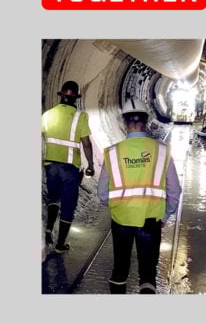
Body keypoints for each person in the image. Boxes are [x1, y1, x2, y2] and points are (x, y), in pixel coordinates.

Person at [97, 101, 182, 294]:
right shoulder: (161, 150)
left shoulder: (112, 152)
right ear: (146, 121)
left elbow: (102, 192)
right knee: (148, 274)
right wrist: (166, 215)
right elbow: (174, 191)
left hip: (121, 220)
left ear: (125, 122)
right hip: (151, 220)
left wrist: (117, 207)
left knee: (119, 269)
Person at [41, 81, 95, 253]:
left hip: (50, 165)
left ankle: (49, 229)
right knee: (68, 205)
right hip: (70, 168)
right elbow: (86, 144)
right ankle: (60, 244)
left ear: (61, 96)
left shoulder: (47, 114)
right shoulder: (80, 117)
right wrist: (90, 165)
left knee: (53, 197)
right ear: (76, 99)